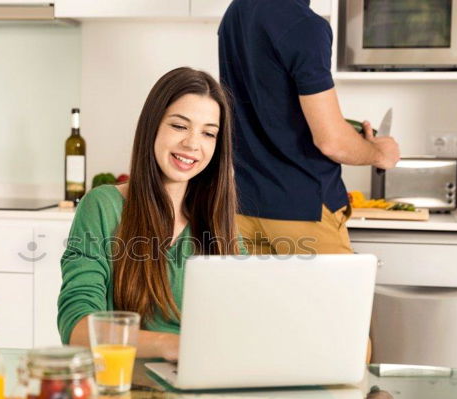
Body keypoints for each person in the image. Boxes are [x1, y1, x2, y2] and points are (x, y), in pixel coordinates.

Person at [57, 67, 243, 361]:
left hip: (201, 383)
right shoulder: (103, 206)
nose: (193, 143)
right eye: (180, 126)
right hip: (123, 383)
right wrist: (168, 345)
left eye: (208, 133)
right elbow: (77, 329)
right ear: (153, 126)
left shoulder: (218, 219)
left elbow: (241, 321)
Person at [218, 0, 401, 256]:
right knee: (334, 297)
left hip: (244, 209)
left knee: (257, 296)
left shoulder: (236, 12)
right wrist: (381, 154)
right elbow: (332, 142)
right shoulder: (306, 25)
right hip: (304, 211)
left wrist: (348, 134)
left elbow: (269, 110)